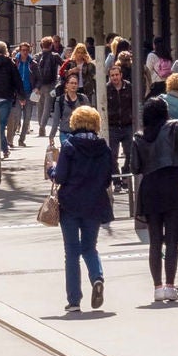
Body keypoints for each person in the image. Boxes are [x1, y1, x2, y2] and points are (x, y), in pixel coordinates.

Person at [133, 98, 178, 304]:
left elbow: (135, 167)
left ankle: (157, 287)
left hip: (150, 189)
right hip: (173, 185)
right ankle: (170, 286)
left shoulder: (139, 136)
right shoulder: (173, 127)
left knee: (154, 241)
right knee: (171, 240)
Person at [51, 106, 115, 313]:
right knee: (89, 247)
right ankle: (97, 277)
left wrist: (51, 169)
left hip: (70, 203)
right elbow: (107, 179)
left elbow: (60, 176)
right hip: (94, 203)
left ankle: (74, 300)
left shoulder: (69, 146)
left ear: (75, 122)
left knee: (71, 252)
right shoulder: (104, 149)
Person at [0, 41, 23, 159]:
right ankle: (3, 149)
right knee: (1, 126)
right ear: (5, 51)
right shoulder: (9, 63)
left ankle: (0, 149)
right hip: (5, 97)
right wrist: (21, 96)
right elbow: (17, 80)